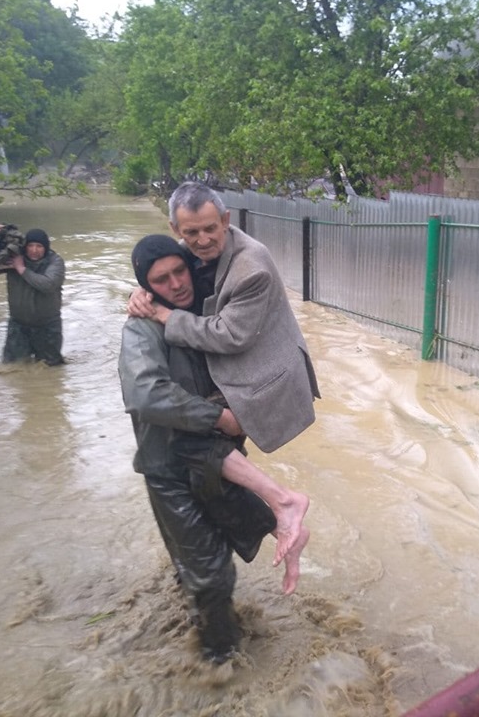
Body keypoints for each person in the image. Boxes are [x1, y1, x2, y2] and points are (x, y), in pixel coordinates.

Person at [119, 234, 305, 664]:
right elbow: (146, 395)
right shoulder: (142, 329)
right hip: (171, 470)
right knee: (211, 575)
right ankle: (219, 663)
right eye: (160, 280)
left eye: (180, 270)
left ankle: (206, 623)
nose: (177, 284)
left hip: (216, 461)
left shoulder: (210, 308)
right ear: (145, 286)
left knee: (225, 548)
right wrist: (218, 418)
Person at [128, 181, 321, 567]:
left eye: (210, 229)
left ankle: (285, 503)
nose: (201, 240)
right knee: (202, 455)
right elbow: (162, 272)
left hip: (264, 377)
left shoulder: (252, 267)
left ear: (226, 221)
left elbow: (230, 335)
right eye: (191, 232)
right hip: (235, 369)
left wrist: (165, 315)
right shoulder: (185, 256)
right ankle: (279, 521)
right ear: (175, 230)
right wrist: (138, 295)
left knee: (191, 436)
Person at [0, 224, 65, 365]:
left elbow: (48, 285)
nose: (34, 250)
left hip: (47, 326)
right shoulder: (13, 257)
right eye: (30, 246)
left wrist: (21, 269)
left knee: (51, 369)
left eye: (39, 246)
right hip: (18, 325)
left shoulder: (55, 262)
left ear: (46, 248)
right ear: (25, 247)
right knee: (12, 368)